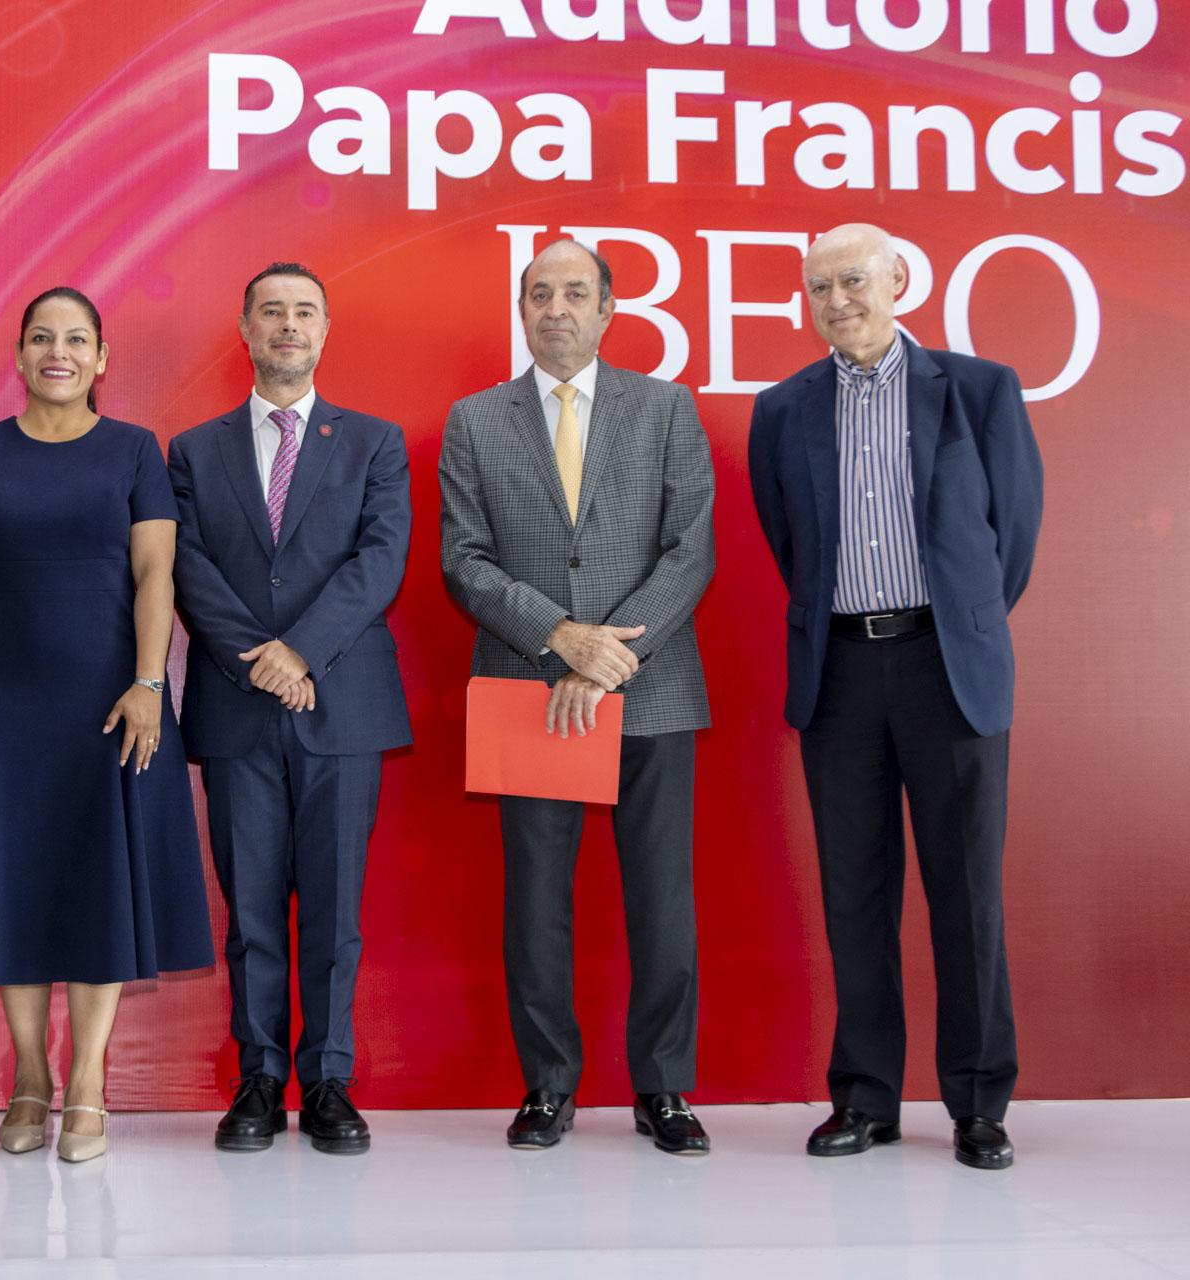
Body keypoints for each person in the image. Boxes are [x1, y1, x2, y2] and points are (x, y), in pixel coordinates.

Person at [748, 223, 1042, 1171]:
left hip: (946, 666)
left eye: (853, 280)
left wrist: (954, 623)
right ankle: (866, 1099)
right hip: (839, 672)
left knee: (968, 894)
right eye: (818, 286)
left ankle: (979, 1104)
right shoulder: (781, 409)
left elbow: (1011, 537)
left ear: (899, 280)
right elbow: (790, 543)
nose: (836, 300)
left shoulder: (980, 390)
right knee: (855, 896)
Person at [0, 287, 213, 1163]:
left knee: (97, 887)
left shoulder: (135, 451)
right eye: (42, 337)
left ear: (101, 358)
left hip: (109, 706)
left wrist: (149, 683)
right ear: (18, 356)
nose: (59, 352)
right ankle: (29, 1075)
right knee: (10, 884)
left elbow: (155, 573)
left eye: (77, 339)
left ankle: (87, 1081)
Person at [438, 238, 716, 1156]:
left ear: (607, 309)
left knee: (663, 899)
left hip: (651, 686)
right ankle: (548, 1086)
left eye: (574, 293)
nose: (556, 308)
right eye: (539, 293)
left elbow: (691, 548)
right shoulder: (476, 420)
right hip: (529, 686)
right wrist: (560, 637)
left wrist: (604, 659)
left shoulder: (666, 407)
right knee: (536, 903)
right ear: (522, 309)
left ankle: (664, 1089)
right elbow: (463, 560)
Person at [168, 263, 412, 1155]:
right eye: (270, 311)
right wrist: (264, 663)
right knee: (252, 909)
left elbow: (379, 561)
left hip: (343, 705)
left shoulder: (375, 442)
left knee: (335, 911)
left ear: (325, 329)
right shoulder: (193, 450)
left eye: (304, 311)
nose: (287, 325)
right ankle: (261, 1077)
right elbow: (188, 566)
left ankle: (330, 1079)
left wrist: (300, 651)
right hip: (239, 707)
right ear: (245, 328)